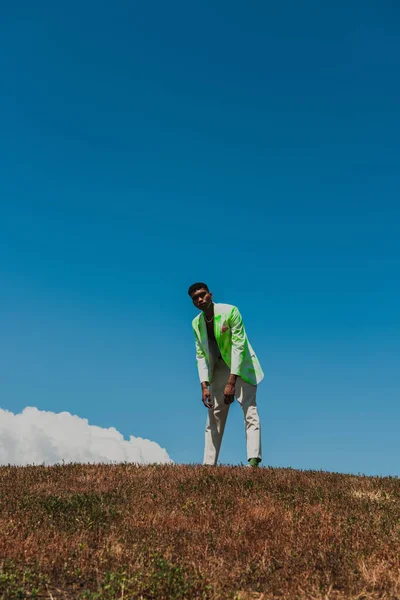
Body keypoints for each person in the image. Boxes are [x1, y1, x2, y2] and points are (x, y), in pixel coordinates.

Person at [188, 282, 264, 467]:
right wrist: (204, 385)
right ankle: (208, 465)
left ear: (210, 294)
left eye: (203, 294)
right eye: (195, 298)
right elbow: (200, 355)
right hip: (217, 369)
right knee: (213, 416)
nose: (200, 299)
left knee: (250, 410)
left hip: (243, 367)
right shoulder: (196, 323)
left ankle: (253, 461)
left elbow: (239, 345)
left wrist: (232, 381)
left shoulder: (230, 311)